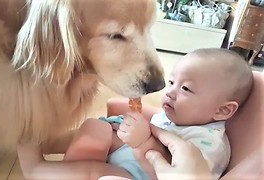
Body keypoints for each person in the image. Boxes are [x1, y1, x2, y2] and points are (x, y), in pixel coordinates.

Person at [17, 48, 253, 179]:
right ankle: (41, 140)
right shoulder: (184, 116)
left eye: (186, 88)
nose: (169, 92)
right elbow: (156, 125)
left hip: (135, 175)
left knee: (97, 173)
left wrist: (142, 142)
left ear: (223, 109)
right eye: (171, 81)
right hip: (128, 151)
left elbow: (169, 173)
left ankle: (36, 169)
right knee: (96, 127)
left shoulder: (209, 145)